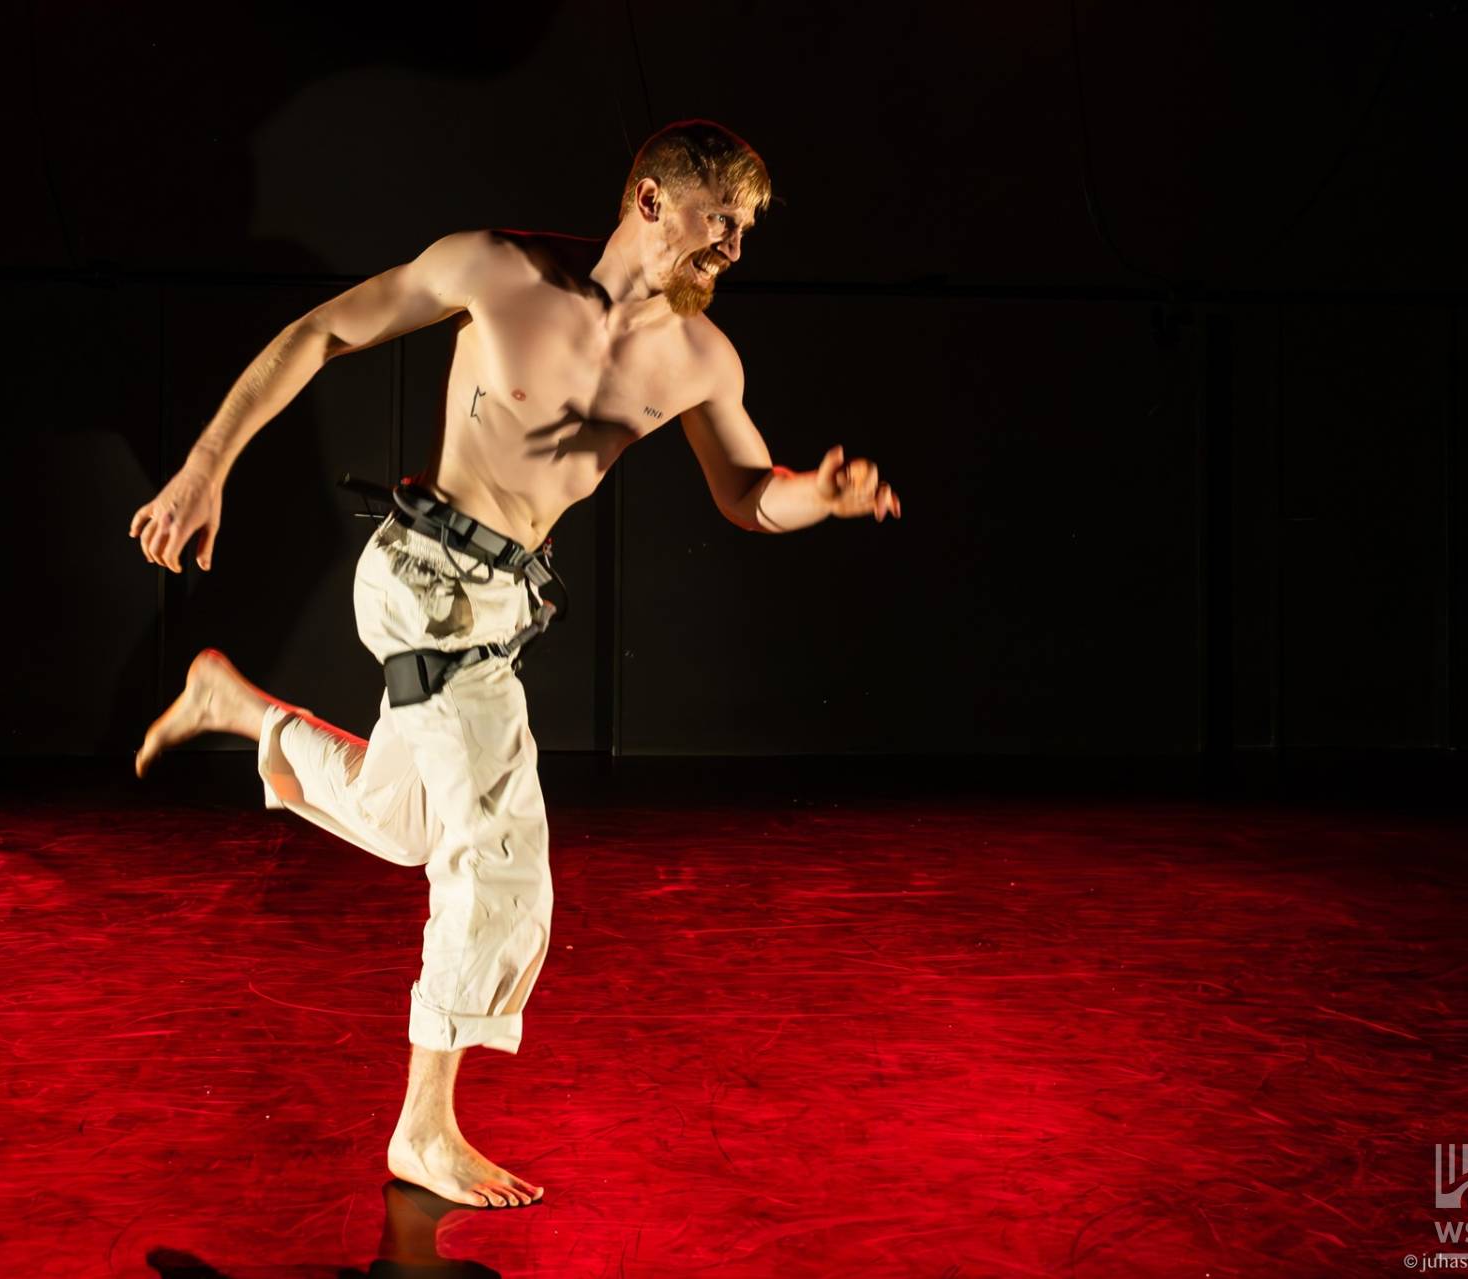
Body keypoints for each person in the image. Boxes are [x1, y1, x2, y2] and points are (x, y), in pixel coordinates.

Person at [127, 119, 899, 1210]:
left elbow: (744, 493)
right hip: (424, 579)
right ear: (649, 200)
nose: (733, 249)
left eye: (746, 232)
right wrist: (205, 467)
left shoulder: (701, 359)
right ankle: (422, 1126)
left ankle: (242, 709)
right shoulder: (496, 271)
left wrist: (818, 495)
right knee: (501, 860)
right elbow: (319, 333)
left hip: (496, 608)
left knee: (406, 822)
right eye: (719, 222)